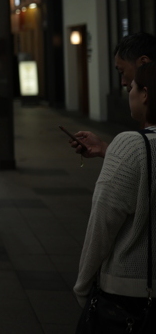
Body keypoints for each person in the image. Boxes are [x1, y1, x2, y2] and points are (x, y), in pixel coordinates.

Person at [74, 62, 156, 320]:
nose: (127, 90)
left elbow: (102, 224)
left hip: (130, 290)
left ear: (145, 94)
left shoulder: (130, 145)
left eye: (132, 86)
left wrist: (83, 285)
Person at [72, 32, 156, 159]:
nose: (123, 82)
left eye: (122, 72)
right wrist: (104, 149)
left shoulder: (132, 142)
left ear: (143, 62)